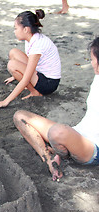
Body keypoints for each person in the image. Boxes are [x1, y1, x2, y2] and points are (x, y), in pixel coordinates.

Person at [13, 37, 99, 182]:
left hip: (92, 147)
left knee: (57, 132)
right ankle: (49, 159)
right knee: (20, 116)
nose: (91, 63)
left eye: (92, 59)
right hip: (76, 134)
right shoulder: (97, 78)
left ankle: (60, 150)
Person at [0, 9, 61, 109]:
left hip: (49, 83)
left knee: (12, 65)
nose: (14, 32)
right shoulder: (32, 38)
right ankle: (27, 83)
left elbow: (26, 77)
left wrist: (5, 101)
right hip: (41, 73)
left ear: (26, 29)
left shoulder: (37, 46)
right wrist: (16, 76)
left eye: (16, 28)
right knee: (13, 52)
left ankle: (35, 92)